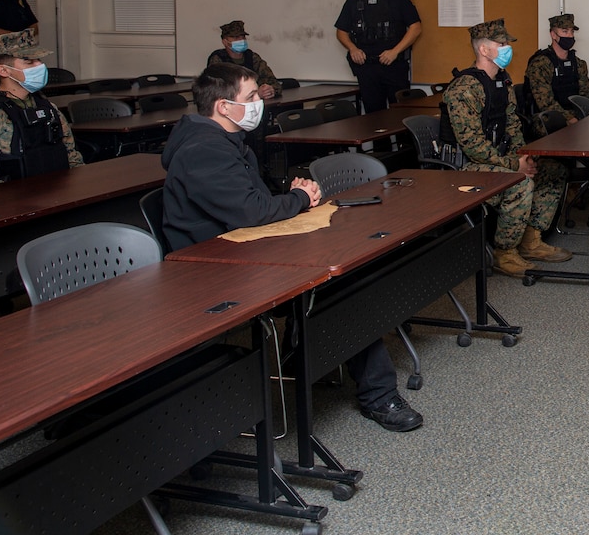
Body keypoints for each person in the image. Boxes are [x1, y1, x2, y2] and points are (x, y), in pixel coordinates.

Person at [161, 62, 423, 430]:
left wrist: (294, 196)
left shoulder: (225, 140)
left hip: (242, 249)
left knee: (343, 264)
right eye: (250, 96)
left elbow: (251, 203)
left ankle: (305, 355)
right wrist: (299, 197)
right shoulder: (204, 149)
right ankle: (378, 395)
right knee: (341, 285)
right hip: (214, 270)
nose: (259, 102)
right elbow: (251, 211)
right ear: (223, 106)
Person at [440, 18, 570, 278]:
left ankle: (530, 240)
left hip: (498, 158)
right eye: (501, 44)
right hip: (466, 166)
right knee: (519, 182)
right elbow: (473, 145)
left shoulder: (502, 82)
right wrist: (515, 165)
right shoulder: (464, 88)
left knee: (553, 169)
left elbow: (512, 125)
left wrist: (524, 156)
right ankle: (504, 253)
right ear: (484, 50)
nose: (507, 48)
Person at [0, 41, 82, 189]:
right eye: (29, 62)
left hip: (58, 195)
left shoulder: (48, 108)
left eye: (39, 60)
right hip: (13, 205)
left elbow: (72, 158)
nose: (39, 66)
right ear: (4, 70)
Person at [334, 0, 422, 113]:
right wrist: (353, 49)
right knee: (373, 117)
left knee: (401, 114)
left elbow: (416, 27)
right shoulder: (355, 0)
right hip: (367, 68)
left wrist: (395, 51)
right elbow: (341, 31)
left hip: (394, 65)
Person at [524, 13, 589, 136]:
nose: (570, 36)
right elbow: (545, 102)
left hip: (575, 116)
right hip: (547, 117)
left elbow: (587, 96)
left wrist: (585, 116)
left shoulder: (578, 64)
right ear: (553, 35)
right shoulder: (540, 64)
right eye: (565, 31)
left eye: (572, 32)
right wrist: (569, 119)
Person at [207, 20, 282, 99]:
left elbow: (273, 82)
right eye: (236, 37)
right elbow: (215, 91)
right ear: (225, 42)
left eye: (243, 37)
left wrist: (270, 90)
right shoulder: (218, 60)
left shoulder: (252, 57)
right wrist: (254, 94)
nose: (241, 40)